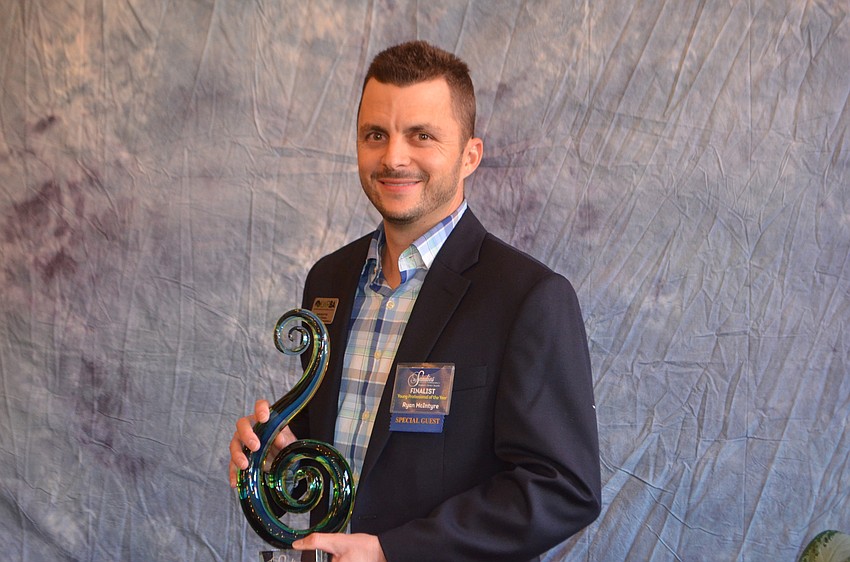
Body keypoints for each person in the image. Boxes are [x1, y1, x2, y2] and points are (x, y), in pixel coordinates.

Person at [230, 40, 601, 562]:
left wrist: (392, 552)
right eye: (375, 135)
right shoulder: (329, 280)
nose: (393, 157)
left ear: (470, 154)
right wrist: (273, 450)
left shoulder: (528, 298)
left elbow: (564, 488)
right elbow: (337, 442)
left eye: (421, 135)